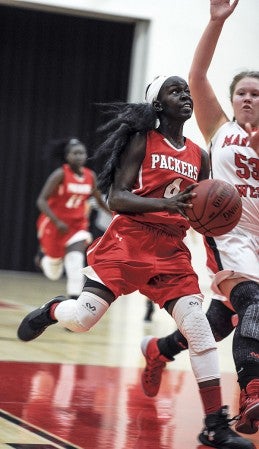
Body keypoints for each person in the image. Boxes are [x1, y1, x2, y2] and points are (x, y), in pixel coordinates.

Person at [17, 75, 253, 449]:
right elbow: (117, 198)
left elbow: (198, 212)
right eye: (175, 90)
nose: (186, 95)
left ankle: (214, 425)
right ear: (158, 105)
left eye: (187, 90)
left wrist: (217, 227)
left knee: (200, 332)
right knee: (81, 320)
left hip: (171, 252)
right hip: (129, 240)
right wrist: (165, 205)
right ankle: (53, 310)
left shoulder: (200, 155)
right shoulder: (141, 140)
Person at [140, 0, 259, 441]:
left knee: (219, 324)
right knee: (254, 306)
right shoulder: (221, 129)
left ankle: (159, 349)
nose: (248, 98)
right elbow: (198, 78)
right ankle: (251, 393)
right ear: (232, 100)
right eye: (242, 91)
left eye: (256, 93)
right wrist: (215, 23)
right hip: (229, 236)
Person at [35, 137, 111, 299]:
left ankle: (74, 304)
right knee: (53, 273)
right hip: (54, 225)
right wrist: (56, 221)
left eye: (82, 153)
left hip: (77, 226)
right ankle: (43, 258)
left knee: (76, 263)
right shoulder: (60, 174)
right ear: (67, 156)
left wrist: (114, 214)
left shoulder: (90, 176)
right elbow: (41, 200)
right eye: (75, 153)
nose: (79, 156)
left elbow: (98, 200)